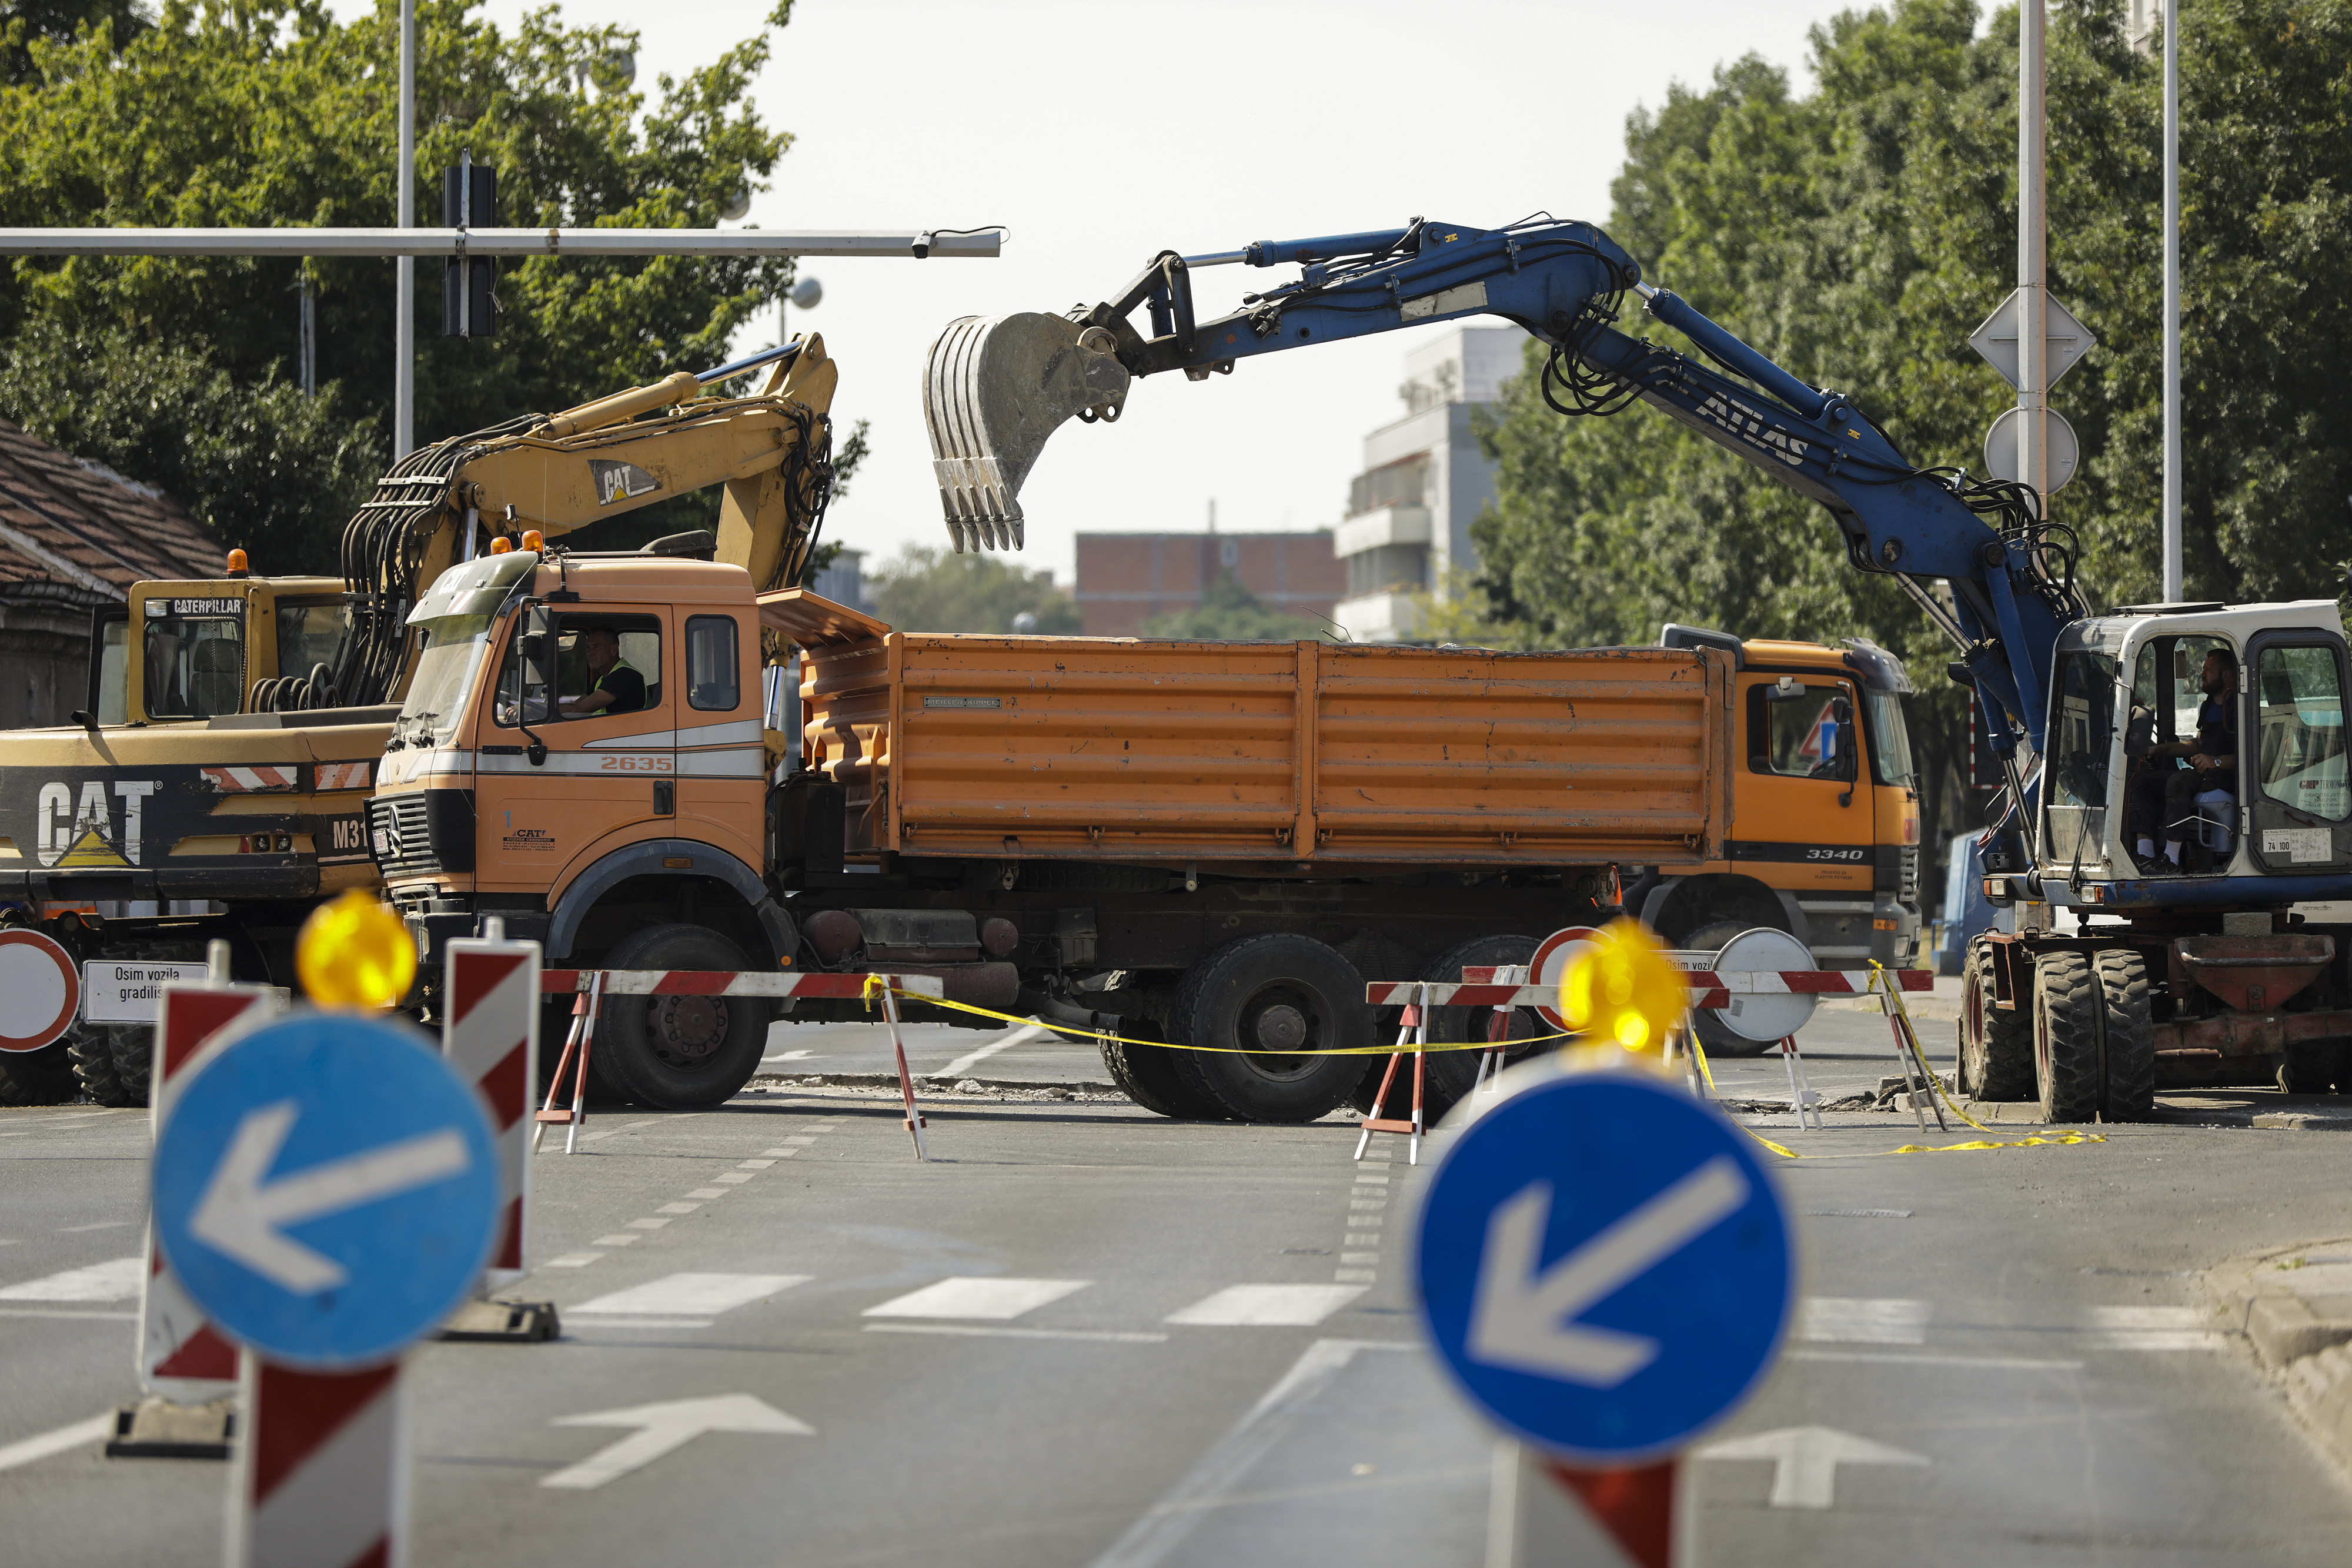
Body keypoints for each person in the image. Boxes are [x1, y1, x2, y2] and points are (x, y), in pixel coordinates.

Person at [2130, 646, 2237, 871]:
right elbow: (2197, 745)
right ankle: (2145, 854)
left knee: (2178, 783)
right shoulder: (2208, 706)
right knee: (2142, 782)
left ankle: (2171, 859)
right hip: (2203, 773)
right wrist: (2158, 750)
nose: (2202, 674)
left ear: (2226, 675)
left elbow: (2249, 757)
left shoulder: (2239, 706)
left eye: (2209, 670)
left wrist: (2214, 761)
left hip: (2226, 777)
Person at [560, 626, 646, 717]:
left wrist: (548, 712)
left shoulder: (624, 676)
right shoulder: (601, 680)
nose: (590, 652)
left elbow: (577, 709)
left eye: (596, 647)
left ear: (614, 650)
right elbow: (576, 705)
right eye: (588, 647)